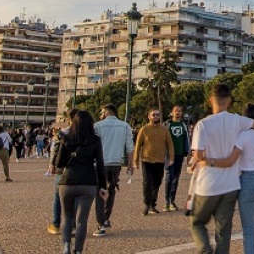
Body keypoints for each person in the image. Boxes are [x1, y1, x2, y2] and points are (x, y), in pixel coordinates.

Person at [190, 83, 254, 254]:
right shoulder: (237, 120)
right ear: (228, 101)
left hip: (208, 183)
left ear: (210, 100)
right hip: (231, 184)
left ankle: (205, 250)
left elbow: (198, 155)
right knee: (223, 230)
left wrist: (207, 160)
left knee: (197, 222)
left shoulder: (202, 124)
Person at [54, 109, 108, 254]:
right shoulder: (95, 140)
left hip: (68, 182)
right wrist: (103, 186)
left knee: (67, 216)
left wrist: (61, 144)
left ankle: (66, 246)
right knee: (81, 220)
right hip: (87, 182)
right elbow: (101, 165)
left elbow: (59, 163)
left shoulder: (66, 138)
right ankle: (78, 250)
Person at [93, 104, 134, 236]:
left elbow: (93, 144)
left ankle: (100, 223)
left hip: (101, 163)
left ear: (105, 112)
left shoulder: (98, 126)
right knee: (111, 189)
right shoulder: (125, 125)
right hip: (116, 162)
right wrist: (130, 164)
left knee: (100, 191)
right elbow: (129, 147)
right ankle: (106, 217)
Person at [134, 108, 175, 216]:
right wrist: (135, 161)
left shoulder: (164, 130)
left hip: (160, 160)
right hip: (147, 159)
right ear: (149, 116)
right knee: (147, 182)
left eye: (157, 115)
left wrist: (171, 158)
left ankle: (153, 203)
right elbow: (138, 145)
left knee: (157, 182)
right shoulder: (144, 129)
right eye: (154, 115)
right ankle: (147, 203)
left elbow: (170, 145)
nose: (156, 116)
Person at [164, 105, 191, 211]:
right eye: (175, 111)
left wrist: (188, 152)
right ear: (172, 113)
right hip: (169, 155)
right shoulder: (167, 125)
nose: (178, 113)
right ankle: (166, 201)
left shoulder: (184, 125)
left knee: (176, 178)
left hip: (179, 154)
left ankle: (172, 200)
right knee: (168, 177)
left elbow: (187, 139)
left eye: (179, 111)